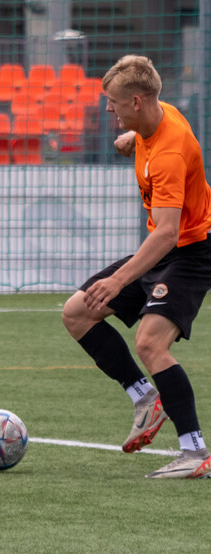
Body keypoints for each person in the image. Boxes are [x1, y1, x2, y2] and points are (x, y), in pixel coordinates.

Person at [62, 54, 211, 478]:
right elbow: (140, 85)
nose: (108, 107)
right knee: (76, 312)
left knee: (149, 343)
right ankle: (146, 397)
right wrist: (130, 138)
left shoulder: (168, 153)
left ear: (138, 101)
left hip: (193, 251)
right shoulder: (152, 120)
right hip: (165, 249)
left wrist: (118, 280)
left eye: (113, 101)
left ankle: (195, 451)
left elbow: (166, 233)